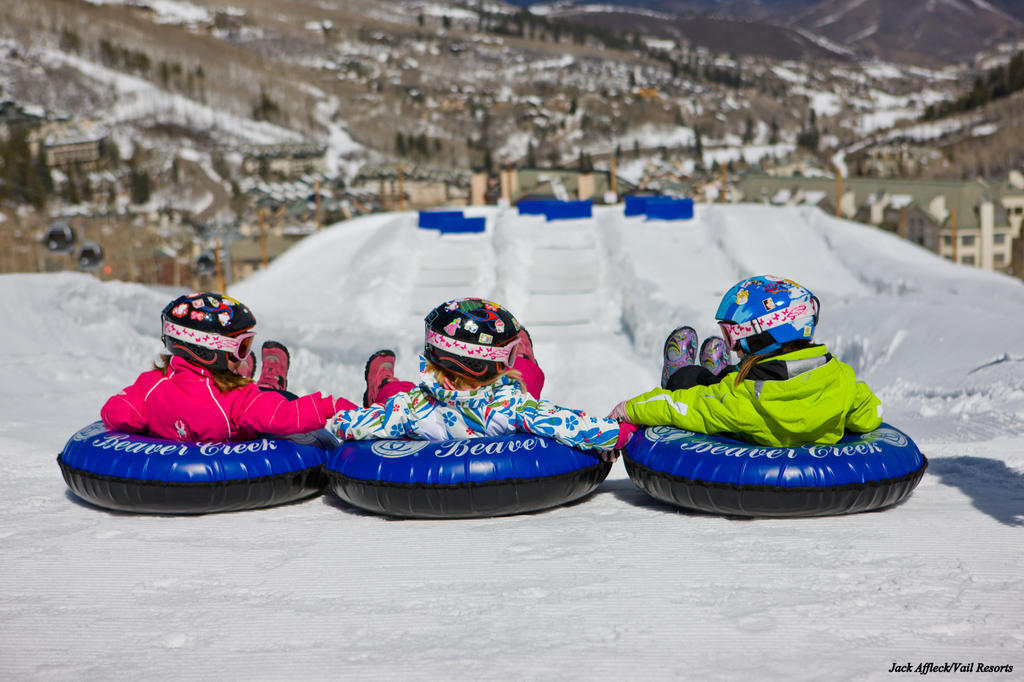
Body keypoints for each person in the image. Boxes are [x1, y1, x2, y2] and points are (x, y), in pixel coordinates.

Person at [329, 297, 635, 455]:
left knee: (398, 393)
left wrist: (339, 409)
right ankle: (527, 358)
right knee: (526, 377)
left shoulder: (410, 408)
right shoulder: (509, 404)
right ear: (481, 364)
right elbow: (567, 423)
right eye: (508, 353)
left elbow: (349, 424)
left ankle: (382, 385)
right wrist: (620, 433)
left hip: (418, 397)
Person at [609, 275, 882, 447]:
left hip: (732, 399)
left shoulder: (742, 399)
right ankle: (721, 370)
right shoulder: (843, 380)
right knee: (732, 375)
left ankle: (678, 375)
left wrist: (628, 410)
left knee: (696, 384)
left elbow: (681, 408)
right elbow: (872, 414)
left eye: (732, 336)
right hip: (782, 381)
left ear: (761, 336)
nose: (735, 347)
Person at [101, 292, 357, 442]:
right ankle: (269, 384)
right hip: (254, 408)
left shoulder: (149, 386)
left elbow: (114, 412)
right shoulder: (235, 400)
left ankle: (242, 377)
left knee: (253, 392)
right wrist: (330, 406)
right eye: (241, 348)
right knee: (271, 396)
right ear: (208, 351)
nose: (243, 356)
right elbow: (285, 416)